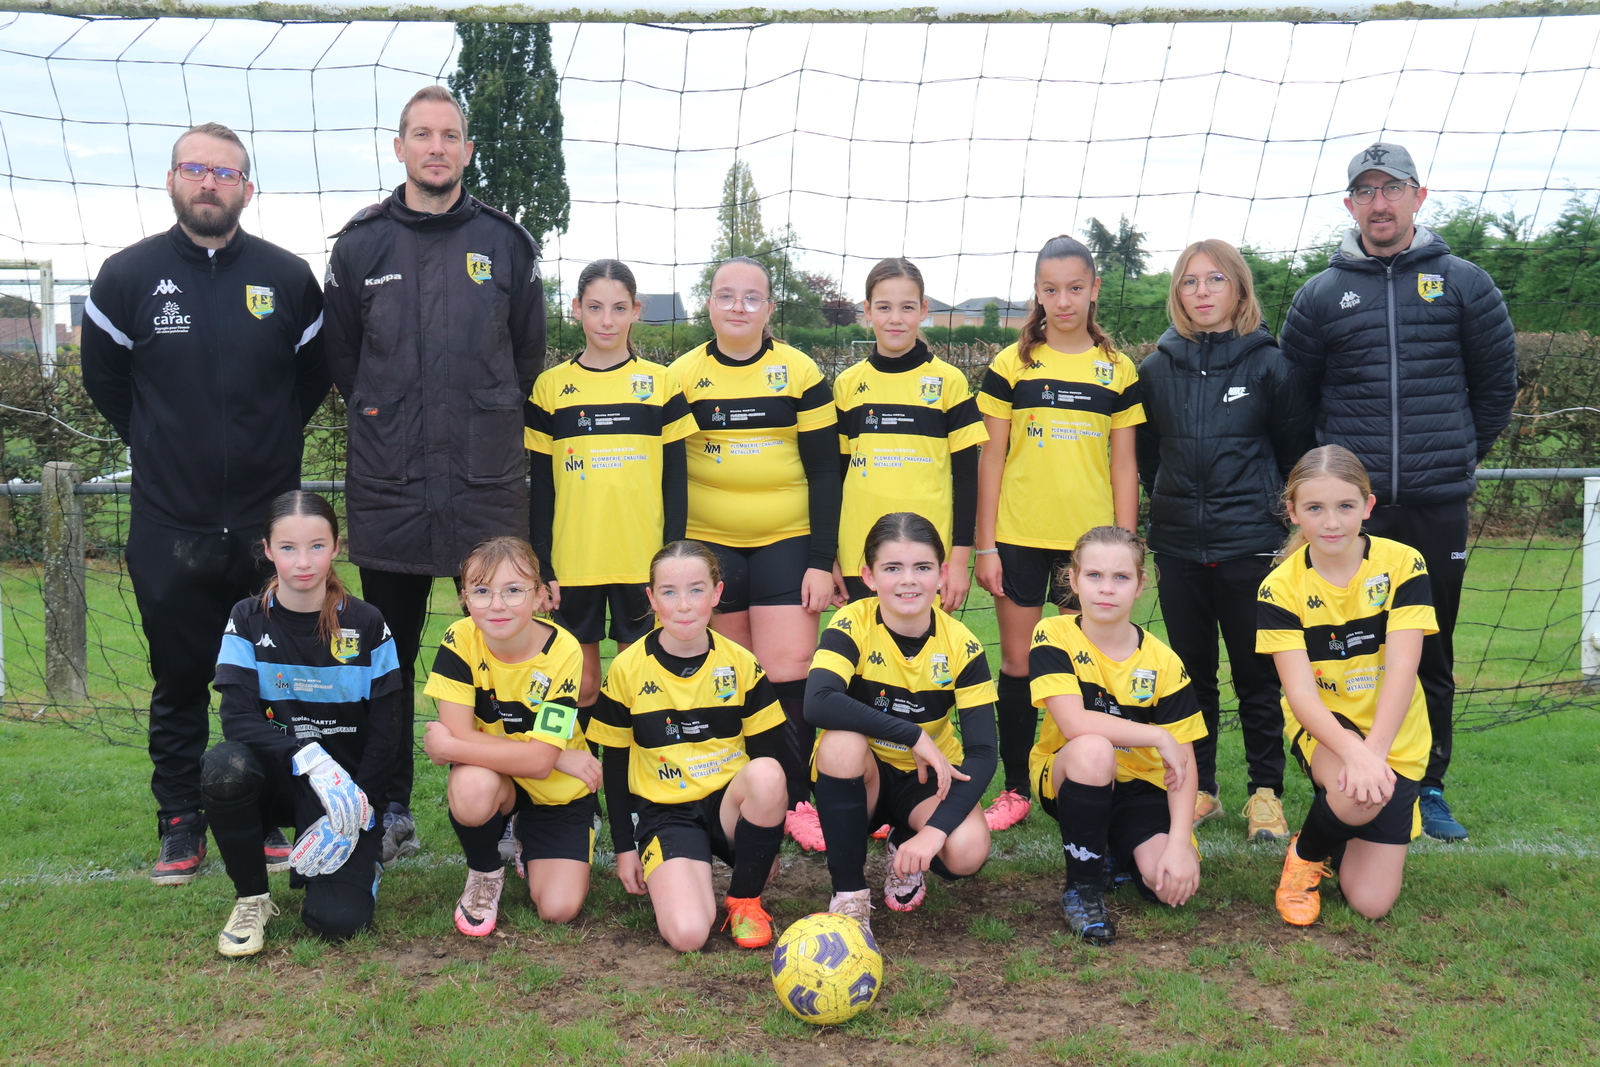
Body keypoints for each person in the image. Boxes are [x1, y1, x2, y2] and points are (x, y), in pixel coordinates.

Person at [82, 121, 329, 885]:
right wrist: (163, 448)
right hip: (171, 524)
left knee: (275, 680)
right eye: (196, 168)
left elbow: (308, 386)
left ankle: (271, 813)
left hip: (266, 529)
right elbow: (108, 386)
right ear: (171, 180)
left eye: (226, 173)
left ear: (248, 190)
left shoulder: (290, 280)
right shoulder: (125, 277)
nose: (210, 182)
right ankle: (181, 820)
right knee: (181, 678)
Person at [323, 85, 548, 862]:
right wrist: (395, 420)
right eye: (422, 134)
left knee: (508, 647)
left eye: (450, 135)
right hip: (391, 489)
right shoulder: (359, 247)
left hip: (488, 489)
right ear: (399, 148)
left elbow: (523, 361)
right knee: (387, 652)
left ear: (467, 150)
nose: (436, 147)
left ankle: (518, 806)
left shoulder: (506, 243)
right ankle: (386, 806)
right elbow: (347, 366)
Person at [1279, 142, 1517, 842]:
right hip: (1351, 517)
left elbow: (1496, 387)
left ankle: (1427, 781)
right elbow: (1297, 404)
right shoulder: (1320, 294)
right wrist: (1326, 493)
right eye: (1366, 191)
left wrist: (1454, 456)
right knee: (1338, 648)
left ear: (1419, 195)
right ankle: (1340, 770)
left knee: (1428, 649)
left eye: (1392, 189)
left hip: (1435, 503)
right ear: (1349, 205)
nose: (1379, 203)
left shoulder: (1466, 283)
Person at [1135, 239, 1314, 841]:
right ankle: (1202, 787)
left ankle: (1265, 793)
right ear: (1178, 293)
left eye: (1215, 280)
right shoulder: (1156, 368)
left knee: (1258, 676)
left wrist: (1276, 522)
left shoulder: (1271, 363)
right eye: (1190, 282)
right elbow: (1149, 458)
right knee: (1189, 676)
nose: (1203, 291)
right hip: (1179, 548)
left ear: (1238, 287)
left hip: (1250, 548)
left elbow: (1295, 455)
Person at [670, 258, 842, 849]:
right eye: (726, 296)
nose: (738, 307)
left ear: (770, 308)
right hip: (709, 546)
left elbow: (825, 472)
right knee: (732, 676)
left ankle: (796, 798)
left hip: (786, 540)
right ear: (709, 304)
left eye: (752, 298)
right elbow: (666, 472)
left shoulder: (798, 371)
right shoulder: (682, 375)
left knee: (790, 670)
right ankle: (735, 791)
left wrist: (822, 559)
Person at [974, 235, 1145, 833]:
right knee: (1020, 663)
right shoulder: (1011, 364)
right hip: (1019, 537)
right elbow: (989, 460)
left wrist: (1125, 549)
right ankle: (1019, 787)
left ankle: (1098, 769)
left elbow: (1125, 465)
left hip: (1091, 548)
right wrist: (985, 544)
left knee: (1090, 665)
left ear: (1095, 289)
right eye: (1051, 290)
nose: (1063, 301)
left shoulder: (1117, 369)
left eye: (1075, 288)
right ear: (1038, 293)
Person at [201, 491, 400, 955]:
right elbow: (237, 718)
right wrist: (308, 758)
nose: (303, 562)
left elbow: (388, 729)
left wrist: (358, 805)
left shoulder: (367, 623)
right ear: (268, 550)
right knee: (224, 766)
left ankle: (361, 866)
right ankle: (252, 899)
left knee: (336, 922)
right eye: (287, 547)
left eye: (316, 546)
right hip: (282, 775)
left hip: (344, 791)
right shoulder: (246, 619)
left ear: (335, 548)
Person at [1258, 446, 1437, 925]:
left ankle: (1332, 833)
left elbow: (1402, 668)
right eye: (1314, 508)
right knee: (1359, 792)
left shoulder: (1403, 564)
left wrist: (1374, 751)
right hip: (1325, 724)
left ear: (1368, 507)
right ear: (1293, 512)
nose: (1331, 522)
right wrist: (1354, 753)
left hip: (1396, 731)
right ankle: (1306, 858)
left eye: (1345, 507)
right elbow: (1298, 692)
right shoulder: (1279, 586)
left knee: (1370, 902)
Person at [586, 540, 790, 952]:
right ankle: (683, 870)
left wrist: (771, 829)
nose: (684, 605)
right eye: (669, 592)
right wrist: (626, 848)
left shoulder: (741, 664)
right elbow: (614, 766)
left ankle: (745, 900)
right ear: (652, 599)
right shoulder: (627, 669)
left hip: (729, 808)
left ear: (716, 594)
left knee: (767, 774)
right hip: (668, 815)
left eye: (696, 590)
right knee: (688, 934)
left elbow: (774, 754)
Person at [805, 512, 997, 936]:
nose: (908, 580)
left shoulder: (962, 644)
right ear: (869, 576)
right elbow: (816, 702)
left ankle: (907, 840)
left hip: (926, 778)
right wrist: (911, 734)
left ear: (942, 574)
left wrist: (936, 833)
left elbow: (984, 752)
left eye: (922, 568)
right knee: (839, 743)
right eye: (893, 568)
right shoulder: (851, 623)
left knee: (966, 850)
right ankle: (850, 893)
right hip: (864, 774)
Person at [526, 258, 694, 716]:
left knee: (635, 688)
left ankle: (627, 788)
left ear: (636, 311)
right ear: (576, 309)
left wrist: (672, 559)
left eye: (619, 308)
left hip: (641, 561)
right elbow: (541, 488)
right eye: (595, 307)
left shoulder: (663, 385)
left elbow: (675, 484)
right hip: (574, 561)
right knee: (577, 688)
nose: (607, 320)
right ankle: (574, 785)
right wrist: (543, 564)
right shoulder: (550, 387)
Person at [1028, 525, 1204, 946]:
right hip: (1070, 773)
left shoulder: (1163, 661)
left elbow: (1185, 761)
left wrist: (1180, 841)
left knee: (1166, 886)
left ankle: (1114, 847)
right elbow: (1073, 723)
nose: (1107, 589)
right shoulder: (1053, 635)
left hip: (1141, 788)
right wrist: (1157, 735)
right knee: (1093, 749)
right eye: (1094, 576)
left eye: (1121, 577)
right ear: (1073, 579)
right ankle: (1083, 889)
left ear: (1141, 584)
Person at [421, 537, 600, 937]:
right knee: (470, 788)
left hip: (557, 787)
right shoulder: (459, 638)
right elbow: (464, 732)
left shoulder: (563, 649)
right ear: (465, 597)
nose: (496, 605)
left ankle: (528, 832)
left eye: (513, 590)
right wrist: (550, 754)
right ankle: (485, 872)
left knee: (558, 909)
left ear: (539, 597)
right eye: (482, 592)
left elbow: (465, 743)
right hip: (498, 776)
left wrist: (550, 758)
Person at [832, 257, 987, 606]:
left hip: (927, 559)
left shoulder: (949, 382)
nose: (896, 318)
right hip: (861, 555)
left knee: (923, 658)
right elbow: (834, 476)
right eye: (884, 307)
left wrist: (960, 561)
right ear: (868, 311)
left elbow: (966, 480)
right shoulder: (847, 384)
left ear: (923, 310)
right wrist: (830, 556)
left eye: (907, 307)